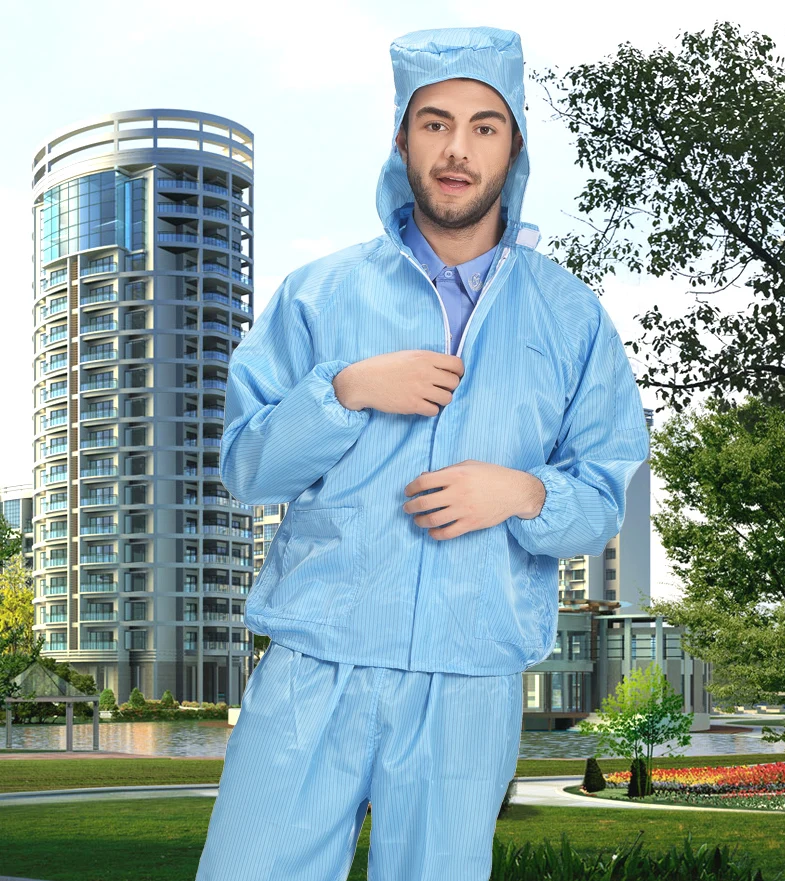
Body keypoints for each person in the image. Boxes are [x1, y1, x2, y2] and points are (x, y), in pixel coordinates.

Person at [195, 25, 650, 881]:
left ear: (515, 145)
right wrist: (345, 392)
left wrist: (521, 493)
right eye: (435, 122)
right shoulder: (318, 295)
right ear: (401, 136)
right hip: (314, 661)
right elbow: (248, 468)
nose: (457, 149)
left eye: (485, 125)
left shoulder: (570, 316)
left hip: (468, 676)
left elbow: (600, 487)